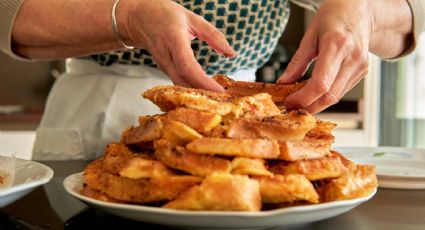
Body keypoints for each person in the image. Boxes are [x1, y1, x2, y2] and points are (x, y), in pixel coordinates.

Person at [0, 0, 423, 160]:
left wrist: (363, 12)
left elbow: (411, 14)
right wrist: (128, 16)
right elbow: (10, 14)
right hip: (94, 107)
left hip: (250, 123)